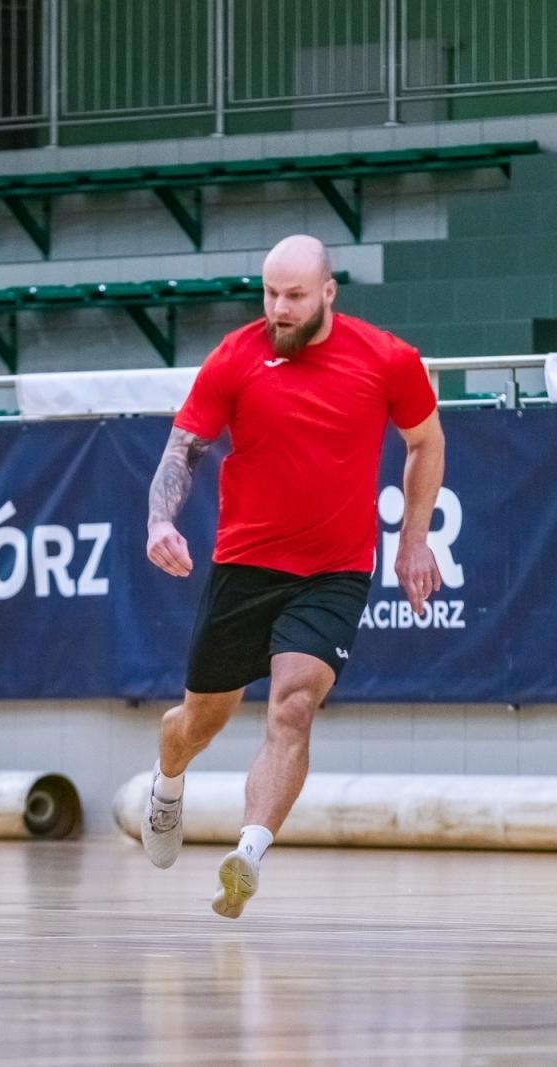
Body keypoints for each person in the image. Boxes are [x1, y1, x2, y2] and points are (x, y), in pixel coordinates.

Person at [139, 234, 444, 918]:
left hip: (333, 570)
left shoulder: (388, 359)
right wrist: (160, 520)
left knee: (294, 705)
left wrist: (413, 539)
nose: (278, 307)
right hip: (243, 565)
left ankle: (247, 852)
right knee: (199, 720)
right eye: (270, 293)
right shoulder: (236, 356)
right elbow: (183, 447)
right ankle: (166, 782)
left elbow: (426, 440)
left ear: (328, 292)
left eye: (295, 295)